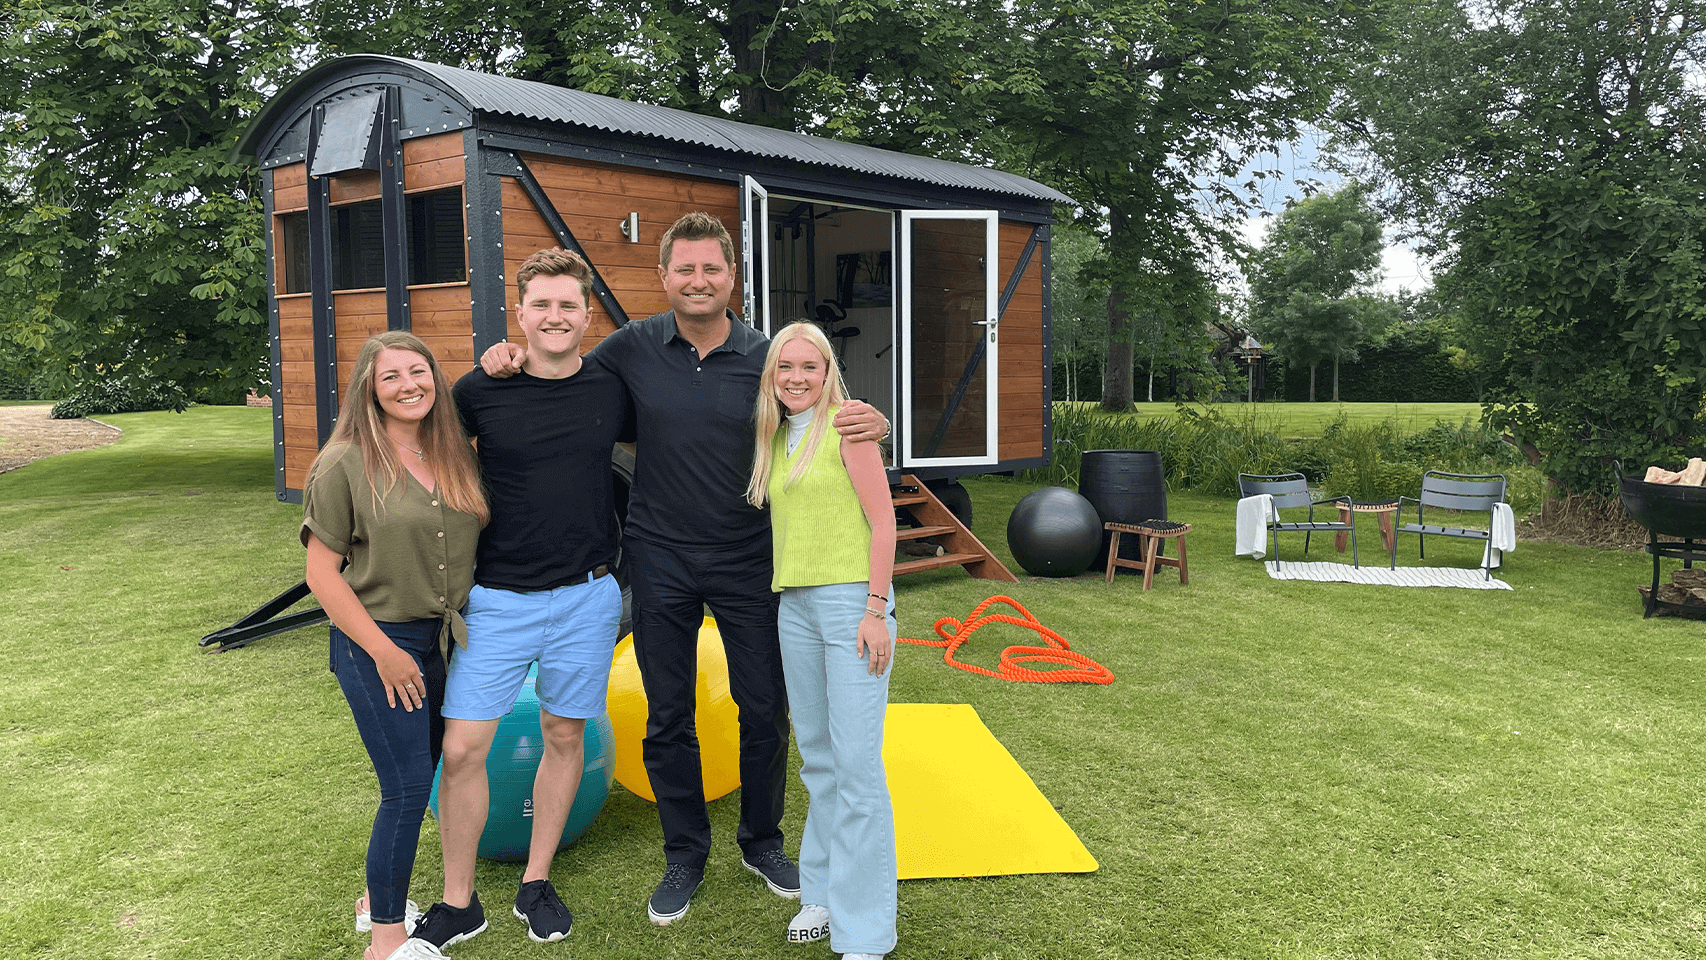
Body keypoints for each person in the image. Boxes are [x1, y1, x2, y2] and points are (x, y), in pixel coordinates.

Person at [479, 212, 887, 926]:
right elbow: (561, 375)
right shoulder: (629, 349)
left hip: (751, 559)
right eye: (684, 269)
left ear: (732, 277)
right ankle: (684, 852)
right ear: (663, 277)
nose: (698, 281)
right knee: (668, 714)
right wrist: (505, 359)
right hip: (659, 555)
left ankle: (763, 842)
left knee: (764, 709)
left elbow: (817, 400)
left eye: (712, 268)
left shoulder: (766, 356)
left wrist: (871, 420)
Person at [410, 248, 630, 950]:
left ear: (586, 314)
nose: (556, 316)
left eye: (568, 305)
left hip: (589, 597)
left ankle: (535, 882)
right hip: (498, 599)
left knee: (567, 735)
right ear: (522, 314)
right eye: (542, 305)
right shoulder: (480, 390)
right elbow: (413, 443)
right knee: (464, 746)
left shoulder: (611, 389)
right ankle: (458, 901)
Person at [301, 331, 489, 960]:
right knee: (407, 789)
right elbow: (321, 573)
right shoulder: (344, 462)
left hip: (442, 642)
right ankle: (385, 939)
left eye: (420, 371)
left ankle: (370, 898)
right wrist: (384, 650)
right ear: (369, 390)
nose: (410, 385)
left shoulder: (455, 454)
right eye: (392, 377)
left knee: (425, 772)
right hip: (377, 644)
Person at [745, 322, 898, 960]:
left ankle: (863, 933)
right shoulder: (777, 435)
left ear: (829, 370)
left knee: (858, 769)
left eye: (810, 366)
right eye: (786, 368)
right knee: (819, 758)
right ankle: (822, 890)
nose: (797, 378)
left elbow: (885, 523)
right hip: (795, 607)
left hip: (851, 604)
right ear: (772, 376)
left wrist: (874, 608)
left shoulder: (848, 428)